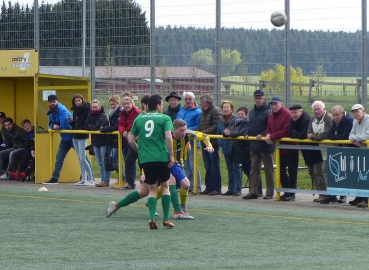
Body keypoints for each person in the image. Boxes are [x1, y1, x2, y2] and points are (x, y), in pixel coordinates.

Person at [107, 94, 175, 229]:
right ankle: (166, 218)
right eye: (161, 104)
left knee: (150, 189)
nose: (162, 106)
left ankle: (151, 218)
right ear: (158, 105)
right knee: (165, 187)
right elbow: (168, 137)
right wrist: (171, 155)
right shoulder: (165, 118)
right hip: (162, 157)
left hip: (146, 158)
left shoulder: (139, 119)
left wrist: (140, 152)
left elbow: (130, 139)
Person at [155, 119, 214, 218]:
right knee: (186, 184)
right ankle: (181, 209)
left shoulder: (188, 135)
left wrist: (209, 146)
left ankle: (152, 200)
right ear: (174, 129)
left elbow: (204, 136)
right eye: (181, 130)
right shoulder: (166, 137)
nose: (184, 132)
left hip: (179, 163)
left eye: (185, 130)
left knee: (167, 185)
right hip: (167, 164)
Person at [243, 90, 274, 200]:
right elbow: (249, 125)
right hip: (254, 145)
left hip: (266, 145)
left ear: (264, 99)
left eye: (260, 98)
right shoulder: (252, 112)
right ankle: (254, 191)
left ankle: (270, 192)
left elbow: (271, 128)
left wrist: (263, 134)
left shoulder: (269, 112)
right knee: (254, 169)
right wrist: (247, 133)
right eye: (256, 98)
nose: (258, 100)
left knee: (268, 170)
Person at [288, 104, 323, 201]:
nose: (293, 115)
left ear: (301, 111)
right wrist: (297, 134)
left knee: (318, 172)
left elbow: (304, 134)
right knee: (312, 172)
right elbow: (290, 133)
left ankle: (323, 194)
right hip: (306, 150)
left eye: (295, 112)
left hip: (315, 150)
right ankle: (319, 193)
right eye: (292, 113)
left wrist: (296, 134)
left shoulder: (307, 119)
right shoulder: (293, 120)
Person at [321, 105, 354, 204]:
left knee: (345, 173)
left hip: (350, 151)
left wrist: (336, 135)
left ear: (343, 112)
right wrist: (337, 136)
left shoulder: (349, 120)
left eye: (337, 115)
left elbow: (346, 135)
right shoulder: (335, 121)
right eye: (334, 115)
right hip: (339, 150)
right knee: (336, 172)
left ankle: (343, 196)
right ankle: (333, 194)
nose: (335, 117)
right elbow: (330, 135)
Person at [265, 96, 294, 201]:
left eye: (275, 104)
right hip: (279, 148)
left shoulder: (287, 114)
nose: (273, 106)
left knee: (291, 171)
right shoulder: (271, 116)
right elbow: (268, 129)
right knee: (281, 171)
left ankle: (291, 194)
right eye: (272, 104)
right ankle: (287, 192)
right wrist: (268, 136)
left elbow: (286, 131)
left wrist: (272, 136)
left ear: (281, 104)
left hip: (290, 148)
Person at [43, 94, 74, 185]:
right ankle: (55, 178)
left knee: (82, 158)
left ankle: (89, 177)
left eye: (54, 101)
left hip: (72, 137)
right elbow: (50, 123)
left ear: (57, 101)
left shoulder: (62, 110)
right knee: (59, 158)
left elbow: (63, 125)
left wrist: (56, 126)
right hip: (65, 138)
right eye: (50, 102)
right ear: (48, 103)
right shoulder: (51, 111)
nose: (52, 103)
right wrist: (53, 126)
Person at [307, 100, 333, 202]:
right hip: (320, 150)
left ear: (324, 109)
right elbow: (308, 132)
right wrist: (314, 136)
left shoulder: (329, 118)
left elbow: (325, 134)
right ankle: (324, 194)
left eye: (319, 109)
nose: (317, 111)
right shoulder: (313, 119)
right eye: (315, 109)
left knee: (327, 172)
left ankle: (331, 195)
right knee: (320, 172)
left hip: (331, 149)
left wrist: (313, 136)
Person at [176, 91, 202, 193]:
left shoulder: (198, 112)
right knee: (185, 164)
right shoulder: (181, 111)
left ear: (193, 100)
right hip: (182, 141)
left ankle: (198, 186)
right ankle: (189, 186)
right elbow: (176, 123)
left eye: (189, 99)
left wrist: (186, 130)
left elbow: (198, 126)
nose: (187, 101)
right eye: (186, 99)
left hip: (192, 141)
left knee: (193, 164)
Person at [198, 94, 222, 196]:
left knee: (214, 165)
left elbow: (217, 125)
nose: (200, 103)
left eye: (201, 101)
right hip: (205, 141)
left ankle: (216, 188)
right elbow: (202, 125)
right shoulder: (203, 112)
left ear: (206, 102)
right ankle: (209, 187)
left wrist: (204, 133)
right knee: (207, 165)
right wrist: (198, 132)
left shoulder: (215, 110)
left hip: (213, 142)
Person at [217, 101, 242, 196]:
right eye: (224, 107)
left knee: (236, 167)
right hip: (225, 147)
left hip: (234, 147)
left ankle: (238, 188)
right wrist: (221, 143)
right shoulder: (220, 120)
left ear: (231, 108)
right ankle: (231, 188)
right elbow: (219, 132)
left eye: (228, 107)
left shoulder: (236, 119)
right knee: (229, 168)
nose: (226, 109)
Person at [69, 94, 94, 186]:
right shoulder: (75, 111)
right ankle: (83, 178)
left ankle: (91, 178)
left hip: (82, 135)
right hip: (75, 135)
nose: (77, 102)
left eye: (79, 100)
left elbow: (87, 123)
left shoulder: (87, 109)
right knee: (79, 158)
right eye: (76, 101)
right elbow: (76, 122)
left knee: (83, 158)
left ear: (82, 100)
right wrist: (71, 123)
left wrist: (82, 128)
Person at [85, 100, 111, 187]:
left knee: (104, 161)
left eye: (96, 107)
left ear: (99, 107)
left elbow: (98, 126)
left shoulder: (102, 115)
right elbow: (87, 125)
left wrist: (92, 127)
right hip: (95, 142)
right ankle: (102, 179)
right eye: (93, 107)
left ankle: (106, 180)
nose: (94, 108)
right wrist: (93, 127)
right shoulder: (90, 115)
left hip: (103, 141)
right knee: (99, 162)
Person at [99, 95, 124, 186]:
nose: (112, 106)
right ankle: (119, 178)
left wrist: (105, 129)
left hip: (118, 139)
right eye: (111, 104)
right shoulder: (112, 112)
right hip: (112, 139)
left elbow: (116, 126)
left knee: (116, 160)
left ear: (118, 103)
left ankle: (123, 178)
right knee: (112, 160)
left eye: (114, 104)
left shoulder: (120, 112)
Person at [118, 96, 141, 189]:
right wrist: (123, 130)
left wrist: (126, 130)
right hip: (129, 139)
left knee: (142, 161)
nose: (126, 105)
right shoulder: (123, 112)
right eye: (124, 104)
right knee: (128, 160)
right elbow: (120, 125)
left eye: (128, 103)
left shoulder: (137, 112)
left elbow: (134, 125)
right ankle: (130, 183)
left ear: (132, 103)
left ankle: (147, 182)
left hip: (138, 139)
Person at [348, 104, 369, 208]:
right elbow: (350, 135)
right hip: (361, 152)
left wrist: (356, 139)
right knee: (360, 174)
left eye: (357, 111)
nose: (355, 113)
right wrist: (356, 140)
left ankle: (366, 199)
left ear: (363, 111)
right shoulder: (355, 121)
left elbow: (367, 135)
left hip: (367, 151)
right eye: (354, 112)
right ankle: (360, 197)